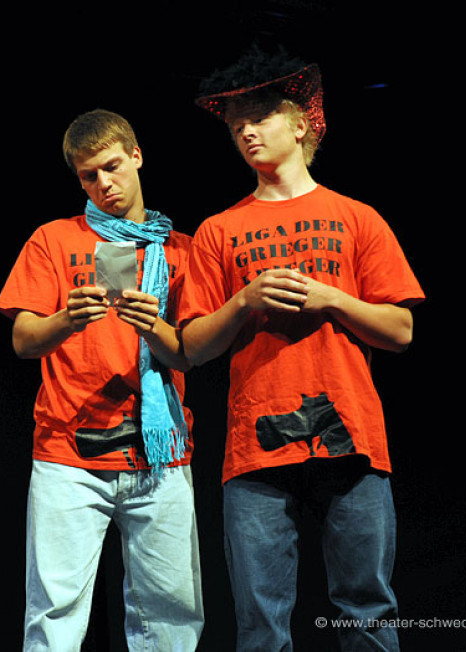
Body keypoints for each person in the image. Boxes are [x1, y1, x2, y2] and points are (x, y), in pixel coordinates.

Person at [178, 47, 425, 651]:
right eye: (237, 126)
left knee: (367, 609)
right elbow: (191, 347)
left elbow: (400, 331)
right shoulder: (218, 230)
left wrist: (333, 298)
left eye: (259, 118)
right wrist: (244, 300)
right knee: (260, 623)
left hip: (351, 434)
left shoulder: (355, 217)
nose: (246, 132)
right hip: (256, 447)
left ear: (299, 125)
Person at [0, 109, 203, 650]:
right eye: (89, 176)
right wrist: (67, 319)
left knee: (171, 617)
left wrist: (152, 325)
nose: (104, 184)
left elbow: (189, 354)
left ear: (137, 156)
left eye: (112, 167)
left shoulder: (180, 249)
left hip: (159, 453)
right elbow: (23, 340)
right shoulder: (53, 238)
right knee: (54, 616)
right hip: (69, 454)